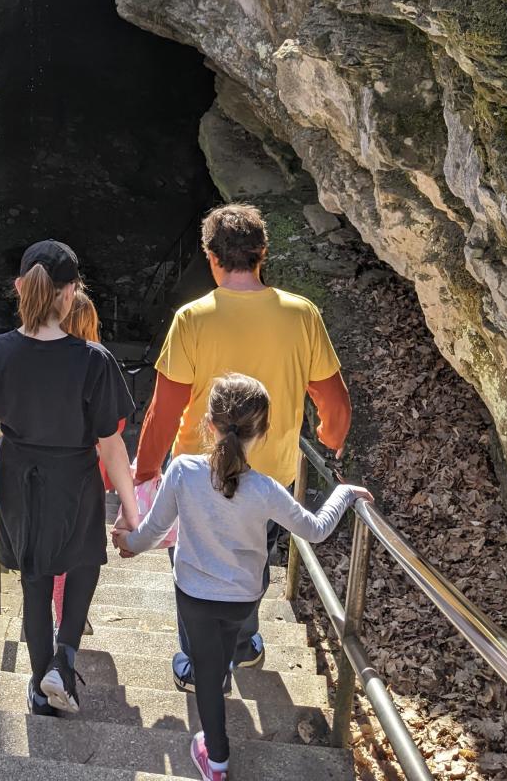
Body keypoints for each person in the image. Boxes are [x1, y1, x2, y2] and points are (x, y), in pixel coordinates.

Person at [130, 202, 352, 689]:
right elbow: (334, 404)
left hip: (196, 473)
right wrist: (330, 440)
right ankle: (244, 642)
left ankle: (195, 658)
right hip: (273, 474)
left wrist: (145, 471)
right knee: (255, 558)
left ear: (212, 257)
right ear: (262, 253)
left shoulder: (192, 319)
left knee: (191, 564)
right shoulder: (301, 315)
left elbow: (163, 412)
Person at [0, 239, 139, 716]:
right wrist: (132, 510)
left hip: (20, 480)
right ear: (71, 293)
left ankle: (41, 690)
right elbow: (111, 444)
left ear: (20, 287)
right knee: (82, 565)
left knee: (35, 582)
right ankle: (65, 660)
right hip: (76, 481)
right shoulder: (93, 360)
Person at [115, 374, 372, 781]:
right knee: (226, 646)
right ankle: (240, 651)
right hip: (243, 599)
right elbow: (316, 530)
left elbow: (152, 533)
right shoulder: (266, 490)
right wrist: (345, 493)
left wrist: (128, 541)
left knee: (207, 672)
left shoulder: (183, 472)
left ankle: (216, 760)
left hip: (194, 596)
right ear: (264, 431)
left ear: (208, 424)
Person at [53, 284, 121, 636]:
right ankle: (66, 618)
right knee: (75, 553)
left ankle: (60, 609)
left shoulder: (42, 362)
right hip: (83, 479)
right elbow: (115, 427)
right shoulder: (98, 365)